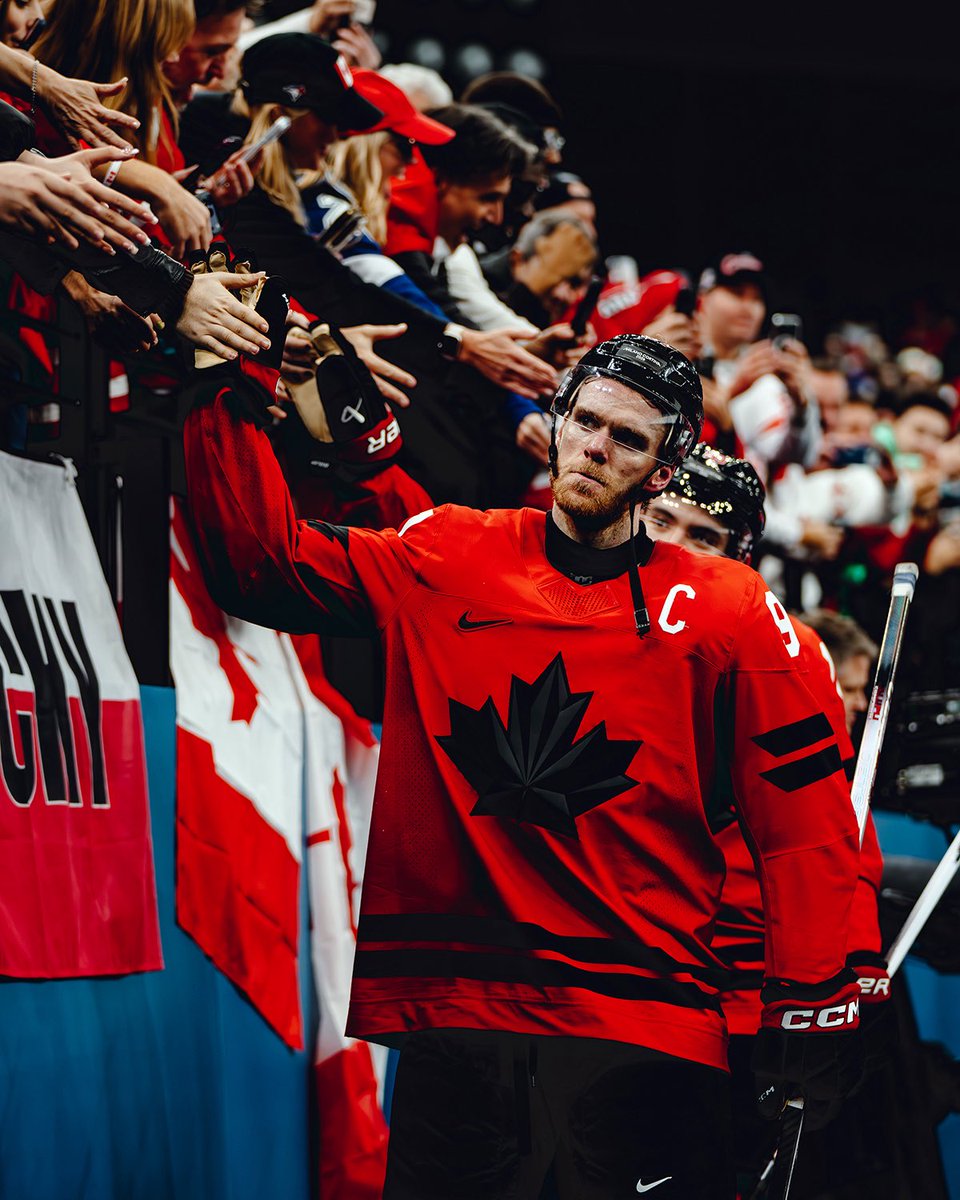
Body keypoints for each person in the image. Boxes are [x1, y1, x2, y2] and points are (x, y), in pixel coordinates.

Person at [185, 332, 864, 1199]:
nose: (596, 447)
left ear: (662, 469)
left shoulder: (733, 613)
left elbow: (807, 827)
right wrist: (226, 379)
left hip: (638, 1034)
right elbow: (261, 567)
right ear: (558, 422)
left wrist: (812, 1011)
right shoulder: (449, 552)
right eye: (585, 421)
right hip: (461, 1019)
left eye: (627, 438)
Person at [644, 444, 886, 1190]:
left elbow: (832, 840)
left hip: (731, 1001)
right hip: (592, 984)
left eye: (705, 536)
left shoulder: (788, 656)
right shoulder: (572, 616)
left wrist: (841, 983)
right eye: (661, 520)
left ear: (742, 556)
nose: (677, 547)